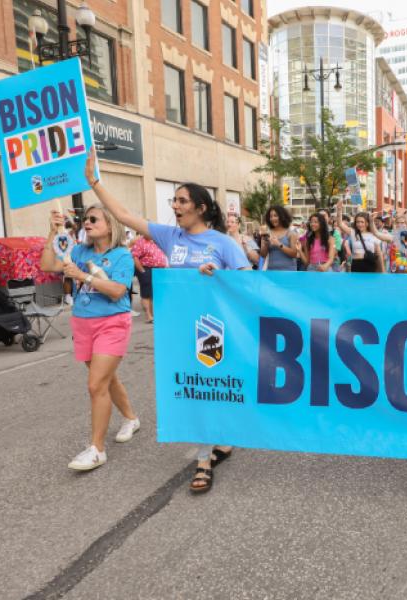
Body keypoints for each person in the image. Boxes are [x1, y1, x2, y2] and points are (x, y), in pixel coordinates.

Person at [84, 149, 250, 492]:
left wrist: (217, 275)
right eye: (173, 200)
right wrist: (95, 183)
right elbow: (126, 215)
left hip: (213, 329)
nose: (174, 206)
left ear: (200, 208)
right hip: (178, 328)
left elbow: (248, 282)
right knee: (194, 389)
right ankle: (212, 449)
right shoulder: (170, 237)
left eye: (182, 201)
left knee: (207, 388)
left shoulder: (222, 243)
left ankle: (208, 455)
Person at [40, 205, 139, 471]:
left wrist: (83, 275)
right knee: (106, 378)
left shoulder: (122, 255)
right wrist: (52, 233)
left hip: (112, 323)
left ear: (110, 224)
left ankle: (97, 449)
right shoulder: (79, 251)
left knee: (96, 384)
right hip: (82, 323)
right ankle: (131, 418)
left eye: (93, 219)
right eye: (85, 219)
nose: (87, 223)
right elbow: (47, 264)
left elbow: (118, 291)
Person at [335, 201, 385, 273]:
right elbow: (340, 224)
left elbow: (379, 253)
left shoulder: (374, 234)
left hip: (370, 264)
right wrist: (339, 210)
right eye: (358, 222)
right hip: (356, 264)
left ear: (367, 223)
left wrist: (382, 271)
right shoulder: (353, 232)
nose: (359, 224)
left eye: (362, 222)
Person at [129, 234, 167, 323]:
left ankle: (155, 314)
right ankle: (149, 316)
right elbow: (135, 257)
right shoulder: (140, 242)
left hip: (158, 270)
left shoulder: (155, 241)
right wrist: (142, 271)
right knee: (147, 293)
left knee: (157, 293)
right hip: (147, 269)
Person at [259, 205, 299, 271]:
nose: (272, 219)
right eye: (271, 216)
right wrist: (264, 244)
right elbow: (263, 255)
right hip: (272, 272)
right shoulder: (268, 233)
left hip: (288, 272)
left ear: (282, 216)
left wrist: (279, 244)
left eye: (275, 216)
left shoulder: (291, 233)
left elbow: (294, 254)